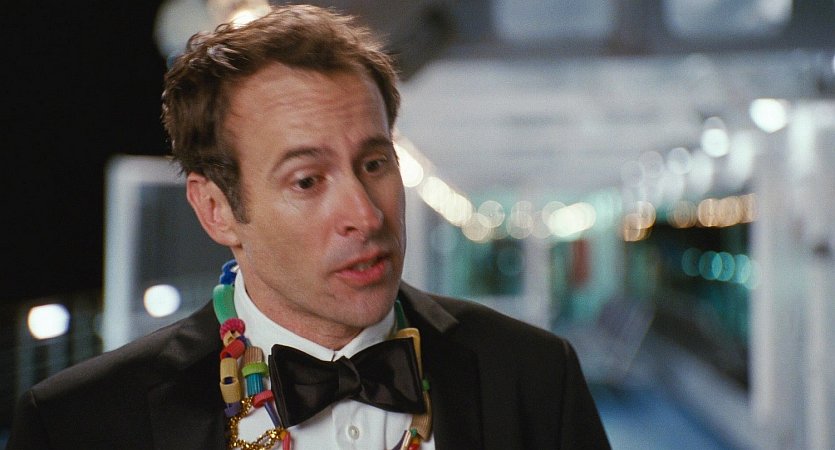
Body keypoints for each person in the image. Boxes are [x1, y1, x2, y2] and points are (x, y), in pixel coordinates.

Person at [6, 4, 610, 449]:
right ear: (216, 209)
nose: (366, 216)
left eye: (374, 164)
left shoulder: (534, 376)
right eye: (307, 181)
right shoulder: (79, 426)